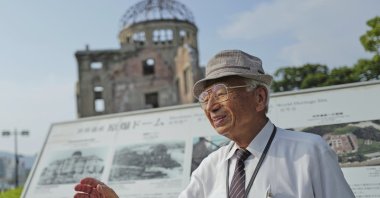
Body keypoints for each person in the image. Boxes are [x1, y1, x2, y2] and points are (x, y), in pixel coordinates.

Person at [74, 49, 355, 198]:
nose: (210, 105)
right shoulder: (212, 166)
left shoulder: (309, 153)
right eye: (205, 96)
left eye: (221, 92)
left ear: (259, 98)